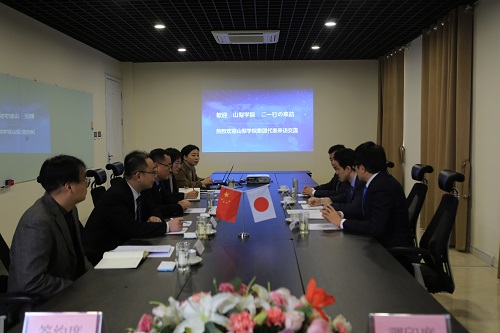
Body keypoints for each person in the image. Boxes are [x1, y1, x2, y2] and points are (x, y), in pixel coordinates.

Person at [8, 155, 92, 300]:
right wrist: (77, 289)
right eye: (85, 180)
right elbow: (31, 282)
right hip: (40, 305)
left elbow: (79, 256)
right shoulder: (37, 222)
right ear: (69, 186)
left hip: (68, 292)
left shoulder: (70, 209)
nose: (87, 184)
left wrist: (93, 279)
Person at [83, 151, 183, 266]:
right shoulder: (117, 195)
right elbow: (131, 228)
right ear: (138, 175)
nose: (155, 175)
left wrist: (154, 215)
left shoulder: (141, 189)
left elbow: (153, 207)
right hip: (103, 254)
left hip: (126, 245)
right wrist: (167, 226)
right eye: (152, 172)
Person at [321, 142, 412, 249]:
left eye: (355, 166)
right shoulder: (378, 182)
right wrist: (340, 214)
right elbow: (364, 212)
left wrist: (341, 222)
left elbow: (375, 227)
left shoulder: (382, 188)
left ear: (362, 168)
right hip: (378, 243)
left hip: (389, 252)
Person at [308, 148, 365, 219]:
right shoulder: (353, 183)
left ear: (348, 169)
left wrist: (331, 204)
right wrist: (321, 201)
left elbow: (353, 207)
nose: (337, 173)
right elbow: (344, 197)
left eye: (338, 169)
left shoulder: (361, 183)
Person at [141, 148, 192, 217]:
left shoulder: (160, 181)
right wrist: (179, 206)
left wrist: (179, 203)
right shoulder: (147, 184)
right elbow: (154, 209)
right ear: (156, 166)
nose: (170, 169)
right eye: (168, 166)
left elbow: (167, 198)